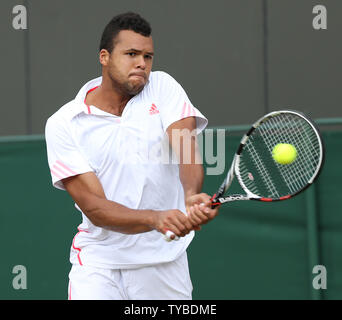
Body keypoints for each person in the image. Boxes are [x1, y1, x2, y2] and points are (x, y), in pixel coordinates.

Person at [45, 12, 219, 300]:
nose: (142, 63)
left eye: (148, 57)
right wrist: (154, 218)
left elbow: (186, 149)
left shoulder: (163, 87)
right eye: (131, 54)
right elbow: (95, 208)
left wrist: (190, 195)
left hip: (164, 264)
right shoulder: (64, 123)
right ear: (104, 57)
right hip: (99, 265)